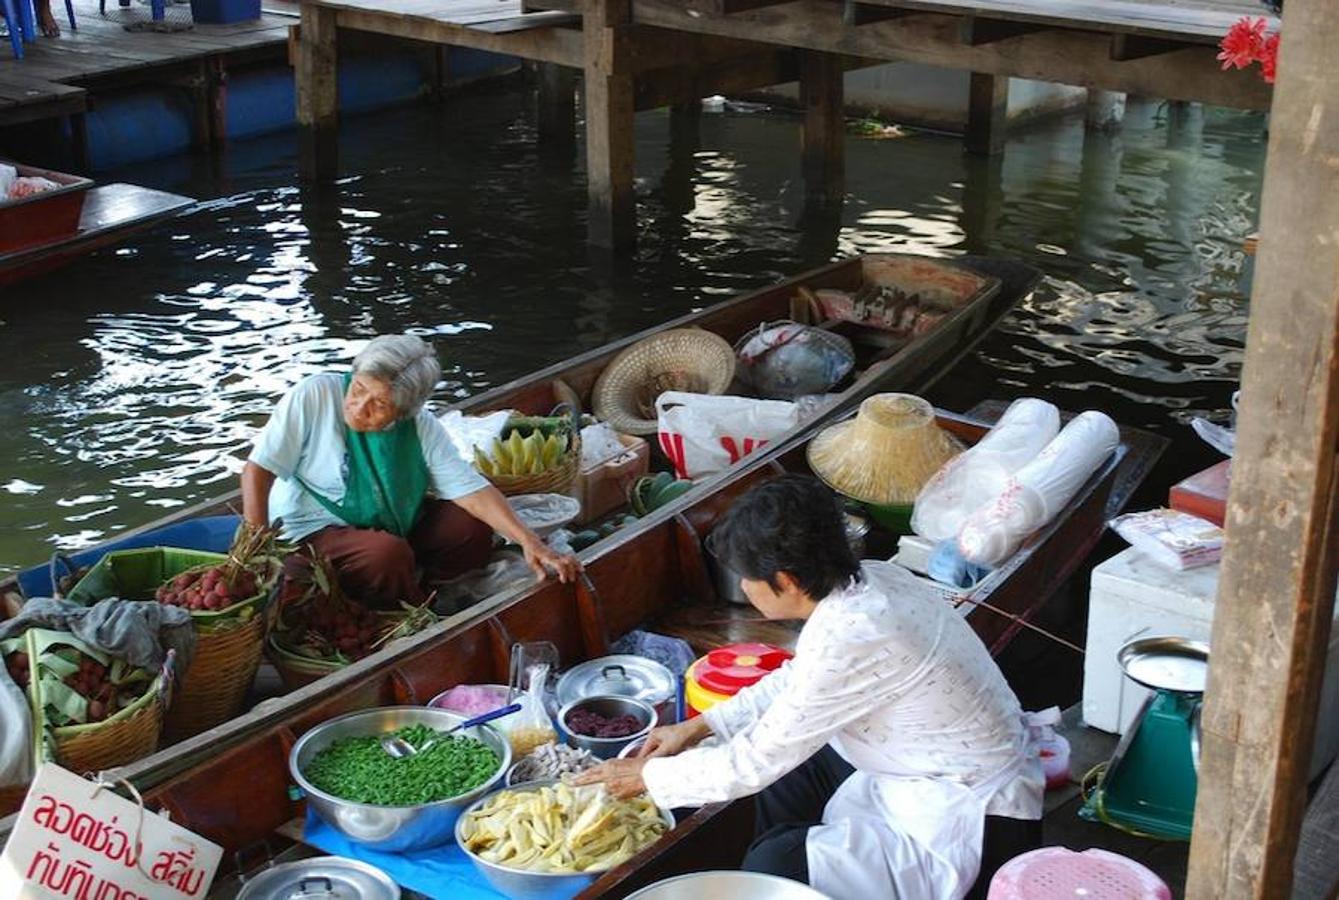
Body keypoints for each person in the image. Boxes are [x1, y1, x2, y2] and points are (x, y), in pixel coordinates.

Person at [575, 475, 1043, 900]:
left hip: (972, 814)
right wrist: (699, 726)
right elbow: (798, 680)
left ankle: (782, 873)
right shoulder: (870, 581)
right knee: (795, 767)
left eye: (747, 577)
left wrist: (646, 778)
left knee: (772, 860)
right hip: (923, 769)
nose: (741, 585)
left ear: (787, 581)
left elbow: (751, 764)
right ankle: (802, 870)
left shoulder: (858, 632)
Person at [242, 334, 580, 608]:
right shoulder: (315, 395)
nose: (359, 407)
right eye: (358, 389)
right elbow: (258, 471)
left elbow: (471, 490)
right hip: (312, 533)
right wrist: (258, 551)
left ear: (404, 412)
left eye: (379, 405)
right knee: (386, 555)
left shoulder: (420, 427)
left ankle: (426, 591)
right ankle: (406, 605)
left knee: (470, 523)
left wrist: (529, 541)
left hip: (391, 526)